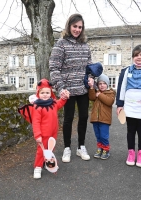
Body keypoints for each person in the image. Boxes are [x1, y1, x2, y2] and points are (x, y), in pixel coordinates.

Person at [49, 13, 92, 163]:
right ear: (69, 26)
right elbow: (54, 68)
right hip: (67, 90)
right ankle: (67, 148)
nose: (77, 29)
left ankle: (81, 147)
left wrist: (91, 79)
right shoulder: (61, 44)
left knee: (84, 117)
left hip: (83, 89)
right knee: (68, 119)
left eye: (80, 27)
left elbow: (89, 68)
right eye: (75, 26)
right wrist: (61, 88)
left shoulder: (85, 45)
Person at [116, 45, 141, 167]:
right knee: (130, 130)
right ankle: (131, 153)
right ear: (133, 57)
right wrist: (119, 105)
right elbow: (121, 88)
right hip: (129, 106)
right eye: (136, 55)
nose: (139, 57)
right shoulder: (126, 71)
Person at [29, 79, 69, 179]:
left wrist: (64, 98)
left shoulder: (53, 103)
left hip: (53, 133)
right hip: (43, 134)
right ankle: (38, 167)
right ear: (38, 93)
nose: (45, 95)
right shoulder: (37, 107)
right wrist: (37, 135)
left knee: (50, 149)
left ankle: (48, 163)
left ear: (51, 93)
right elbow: (36, 122)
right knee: (41, 150)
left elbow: (60, 103)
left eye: (47, 92)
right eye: (42, 93)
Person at [88, 74, 116, 160]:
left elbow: (109, 102)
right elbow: (91, 97)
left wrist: (99, 95)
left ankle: (106, 150)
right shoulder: (96, 92)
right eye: (100, 83)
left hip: (105, 119)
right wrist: (92, 87)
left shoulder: (111, 93)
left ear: (107, 84)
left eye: (104, 83)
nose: (102, 85)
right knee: (98, 135)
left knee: (104, 136)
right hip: (95, 119)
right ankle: (100, 148)